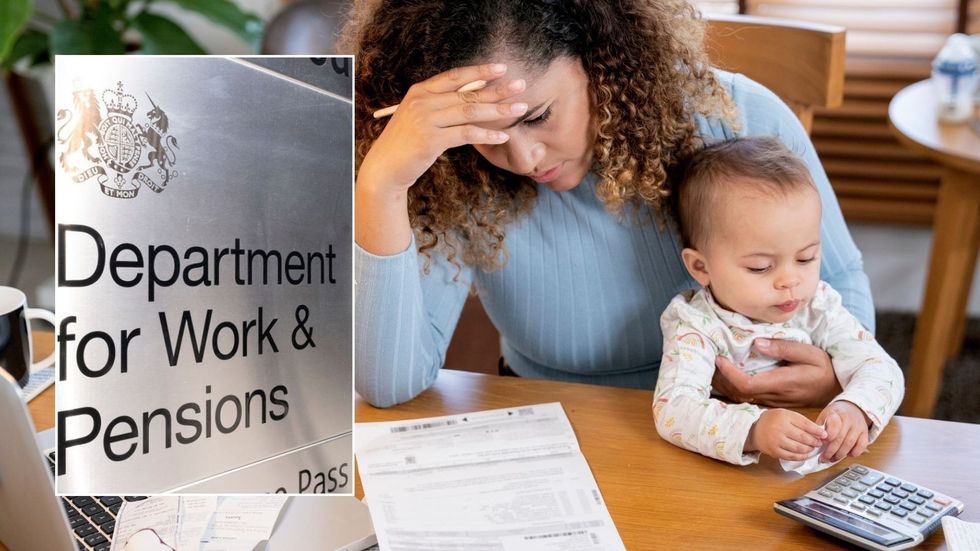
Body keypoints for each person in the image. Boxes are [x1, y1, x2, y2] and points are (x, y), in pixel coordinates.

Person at [344, 0, 875, 408]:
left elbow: (840, 281)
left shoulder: (741, 120)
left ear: (598, 61)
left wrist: (834, 370)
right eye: (485, 131)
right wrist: (381, 188)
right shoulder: (453, 169)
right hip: (555, 418)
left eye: (537, 116)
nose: (523, 157)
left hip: (734, 418)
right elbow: (388, 384)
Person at [653, 137, 903, 465]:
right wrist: (754, 430)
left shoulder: (817, 307)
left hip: (818, 463)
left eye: (806, 258)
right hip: (722, 471)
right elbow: (673, 409)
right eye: (761, 267)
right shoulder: (696, 323)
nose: (790, 281)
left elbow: (882, 369)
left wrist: (854, 406)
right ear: (701, 267)